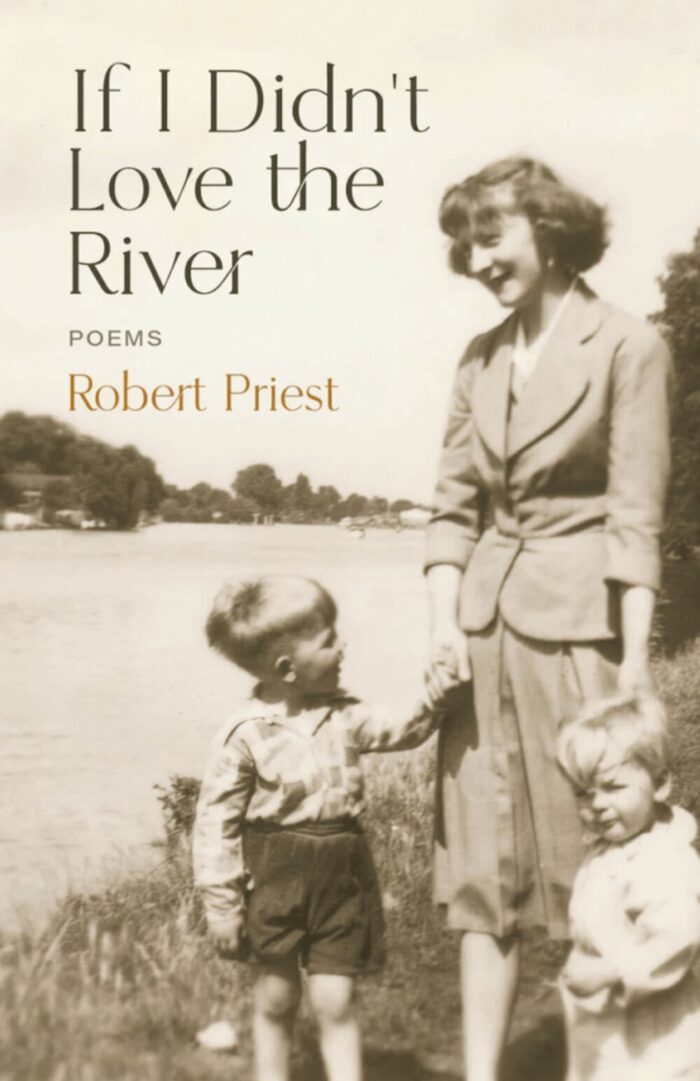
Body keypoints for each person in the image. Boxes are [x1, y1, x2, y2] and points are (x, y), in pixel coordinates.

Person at [425, 156, 672, 1081]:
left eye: (491, 236)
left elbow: (635, 518)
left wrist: (635, 667)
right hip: (480, 638)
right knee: (482, 879)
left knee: (594, 867)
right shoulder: (478, 356)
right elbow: (451, 509)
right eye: (465, 242)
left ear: (551, 230)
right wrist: (442, 626)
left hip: (580, 636)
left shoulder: (629, 346)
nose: (476, 258)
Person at [192, 575, 457, 1081]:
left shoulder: (344, 715)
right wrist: (222, 906)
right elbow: (214, 825)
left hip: (340, 875)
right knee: (275, 996)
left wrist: (438, 697)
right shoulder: (243, 735)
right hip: (274, 876)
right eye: (329, 640)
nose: (343, 646)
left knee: (336, 1000)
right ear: (287, 668)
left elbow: (403, 730)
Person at [556, 695, 700, 1081]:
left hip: (658, 1041)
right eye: (583, 792)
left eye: (613, 787)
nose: (597, 804)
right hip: (605, 1035)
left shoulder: (667, 859)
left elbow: (676, 940)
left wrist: (613, 972)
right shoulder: (605, 853)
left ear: (660, 784)